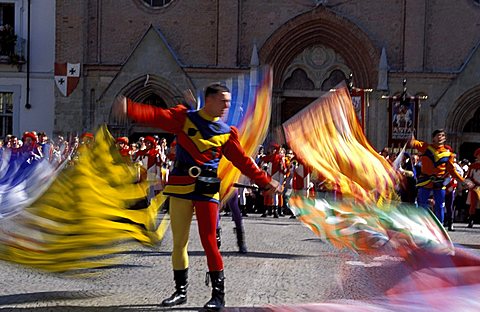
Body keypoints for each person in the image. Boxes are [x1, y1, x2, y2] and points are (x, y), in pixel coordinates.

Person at [112, 83, 281, 311]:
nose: (226, 106)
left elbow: (243, 161)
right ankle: (180, 292)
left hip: (206, 189)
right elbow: (157, 116)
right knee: (179, 243)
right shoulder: (184, 118)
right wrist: (130, 108)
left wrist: (264, 181)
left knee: (210, 242)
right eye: (223, 101)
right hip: (181, 187)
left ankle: (218, 296)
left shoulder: (226, 133)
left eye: (228, 102)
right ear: (209, 100)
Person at [409, 129, 466, 224]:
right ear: (433, 138)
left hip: (439, 182)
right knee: (422, 204)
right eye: (438, 135)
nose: (440, 137)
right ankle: (421, 225)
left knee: (439, 205)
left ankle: (440, 226)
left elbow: (451, 170)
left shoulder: (448, 154)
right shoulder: (426, 147)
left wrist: (462, 180)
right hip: (425, 180)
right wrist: (411, 139)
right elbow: (414, 143)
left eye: (442, 136)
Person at [465, 148, 480, 228]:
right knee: (473, 205)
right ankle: (471, 220)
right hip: (474, 188)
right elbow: (468, 178)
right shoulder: (473, 166)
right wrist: (471, 185)